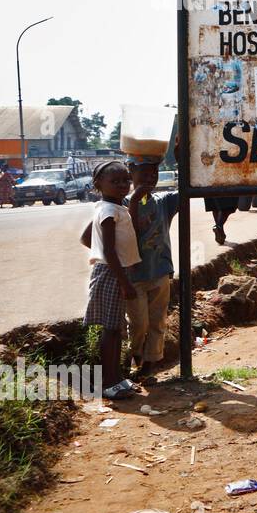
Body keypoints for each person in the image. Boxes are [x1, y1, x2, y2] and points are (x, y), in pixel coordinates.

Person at [81, 161, 139, 400]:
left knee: (115, 329)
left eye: (126, 180)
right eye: (115, 182)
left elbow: (86, 237)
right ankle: (108, 383)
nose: (122, 185)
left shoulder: (115, 206)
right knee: (111, 330)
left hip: (113, 272)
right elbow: (110, 251)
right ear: (98, 185)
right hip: (112, 275)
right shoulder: (108, 210)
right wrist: (124, 282)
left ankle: (116, 378)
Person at [122, 158, 180, 380]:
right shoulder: (123, 202)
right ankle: (135, 354)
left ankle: (150, 364)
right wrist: (136, 200)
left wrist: (180, 156)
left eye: (154, 173)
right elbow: (130, 232)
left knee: (157, 321)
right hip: (134, 276)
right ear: (131, 173)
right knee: (138, 322)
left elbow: (187, 189)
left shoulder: (163, 201)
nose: (150, 178)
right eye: (144, 174)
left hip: (160, 270)